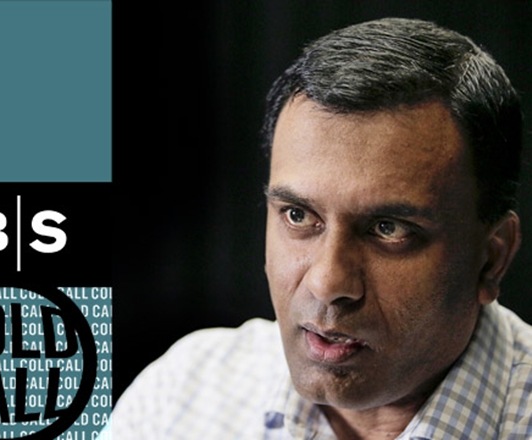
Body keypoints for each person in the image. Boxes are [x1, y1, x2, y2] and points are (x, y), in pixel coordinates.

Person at [106, 17, 532, 439]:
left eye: (388, 229)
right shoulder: (180, 398)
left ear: (491, 259)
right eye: (298, 215)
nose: (327, 283)